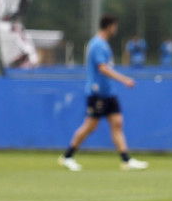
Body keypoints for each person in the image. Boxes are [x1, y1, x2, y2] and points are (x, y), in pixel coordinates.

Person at [58, 14, 147, 172]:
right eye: (115, 26)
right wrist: (124, 79)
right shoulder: (98, 44)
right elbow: (102, 68)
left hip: (109, 93)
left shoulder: (104, 44)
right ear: (110, 26)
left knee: (117, 123)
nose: (116, 29)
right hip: (97, 92)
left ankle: (126, 160)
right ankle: (67, 156)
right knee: (90, 126)